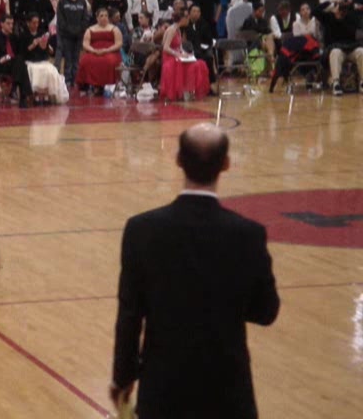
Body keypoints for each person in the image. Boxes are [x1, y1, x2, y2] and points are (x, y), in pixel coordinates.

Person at [111, 122, 280, 419]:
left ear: (178, 160)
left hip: (163, 390)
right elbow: (266, 312)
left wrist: (123, 377)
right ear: (226, 164)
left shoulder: (142, 229)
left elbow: (130, 315)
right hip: (228, 391)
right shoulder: (248, 234)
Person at [313, 0, 363, 95]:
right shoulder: (328, 17)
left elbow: (358, 14)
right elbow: (315, 11)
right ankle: (336, 83)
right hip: (336, 48)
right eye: (339, 7)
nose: (341, 10)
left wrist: (350, 4)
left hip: (351, 48)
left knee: (361, 51)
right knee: (335, 52)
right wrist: (330, 1)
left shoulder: (351, 17)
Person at [160, 10, 210, 101]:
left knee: (199, 64)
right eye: (187, 18)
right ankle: (184, 91)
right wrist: (179, 55)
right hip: (170, 58)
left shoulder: (178, 30)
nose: (188, 20)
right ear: (182, 19)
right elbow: (165, 47)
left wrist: (185, 53)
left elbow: (179, 47)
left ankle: (190, 91)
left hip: (176, 56)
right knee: (189, 66)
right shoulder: (172, 30)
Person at [0, 15, 33, 108]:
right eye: (8, 24)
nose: (11, 26)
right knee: (21, 64)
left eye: (12, 24)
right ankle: (23, 94)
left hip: (13, 66)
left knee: (20, 61)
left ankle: (17, 90)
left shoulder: (14, 38)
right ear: (2, 24)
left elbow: (21, 53)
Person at [21, 13, 68, 105]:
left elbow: (50, 51)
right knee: (36, 70)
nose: (36, 25)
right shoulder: (24, 35)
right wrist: (33, 44)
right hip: (30, 61)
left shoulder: (41, 33)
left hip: (42, 60)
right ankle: (36, 95)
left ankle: (47, 95)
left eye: (37, 22)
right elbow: (23, 52)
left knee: (51, 70)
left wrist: (45, 45)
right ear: (28, 23)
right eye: (33, 23)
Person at [76, 8, 123, 93]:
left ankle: (106, 85)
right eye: (101, 16)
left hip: (111, 52)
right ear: (97, 18)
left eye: (106, 16)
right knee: (85, 60)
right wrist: (93, 50)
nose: (104, 18)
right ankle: (86, 84)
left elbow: (119, 43)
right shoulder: (90, 29)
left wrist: (107, 50)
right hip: (94, 51)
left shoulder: (114, 29)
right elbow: (85, 44)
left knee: (109, 61)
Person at [57, 0, 90, 87]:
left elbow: (85, 17)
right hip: (66, 35)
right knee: (68, 59)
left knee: (76, 59)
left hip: (79, 34)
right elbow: (61, 19)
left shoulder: (82, 1)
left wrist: (80, 29)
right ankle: (67, 80)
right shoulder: (62, 1)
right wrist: (69, 29)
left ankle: (76, 80)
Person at [186, 4, 215, 87]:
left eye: (198, 12)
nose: (196, 13)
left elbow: (209, 40)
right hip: (189, 49)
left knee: (208, 58)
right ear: (189, 13)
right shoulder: (186, 24)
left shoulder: (204, 24)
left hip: (202, 49)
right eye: (194, 11)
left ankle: (209, 84)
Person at [241, 3, 276, 69]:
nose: (262, 13)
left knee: (269, 37)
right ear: (254, 11)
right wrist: (260, 36)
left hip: (264, 42)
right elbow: (247, 35)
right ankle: (271, 58)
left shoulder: (263, 21)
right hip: (252, 43)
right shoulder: (248, 21)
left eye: (263, 11)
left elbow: (268, 31)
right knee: (265, 41)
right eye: (260, 11)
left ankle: (271, 56)